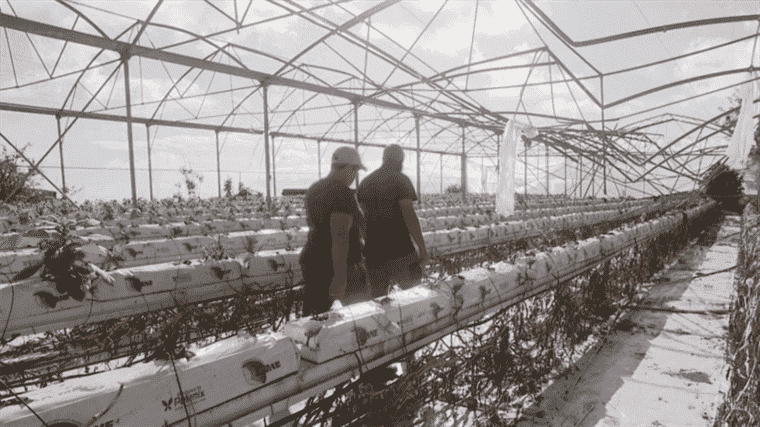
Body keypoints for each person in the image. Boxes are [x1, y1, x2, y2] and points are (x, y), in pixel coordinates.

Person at [300, 146, 368, 316]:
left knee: (314, 318)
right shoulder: (341, 192)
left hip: (314, 260)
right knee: (360, 316)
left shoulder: (314, 189)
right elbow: (340, 236)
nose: (355, 176)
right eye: (355, 170)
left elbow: (359, 223)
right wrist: (340, 276)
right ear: (348, 168)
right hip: (337, 265)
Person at [358, 144, 429, 299]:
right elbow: (409, 215)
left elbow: (362, 221)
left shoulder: (365, 183)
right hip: (400, 250)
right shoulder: (401, 180)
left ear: (383, 158)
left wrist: (369, 245)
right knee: (414, 298)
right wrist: (422, 247)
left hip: (374, 255)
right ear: (401, 161)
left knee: (378, 302)